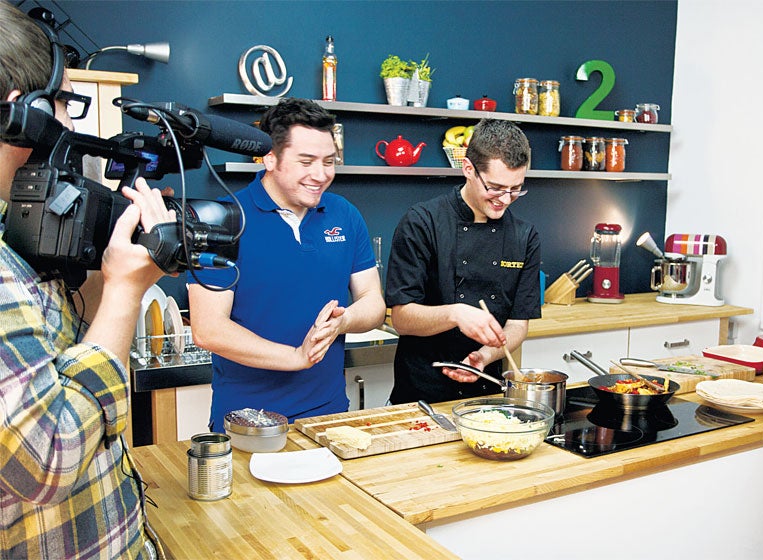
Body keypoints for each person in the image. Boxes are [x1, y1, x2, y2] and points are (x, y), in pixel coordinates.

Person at [0, 4, 175, 558]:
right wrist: (125, 289)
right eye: (64, 104)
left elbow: (71, 352)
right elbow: (48, 459)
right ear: (20, 113)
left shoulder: (13, 234)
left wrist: (113, 266)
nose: (71, 126)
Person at [188, 98, 385, 430]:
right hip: (247, 420)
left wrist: (344, 320)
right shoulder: (223, 219)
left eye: (329, 161)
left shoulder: (344, 215)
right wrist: (296, 357)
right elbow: (208, 329)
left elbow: (374, 302)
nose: (320, 175)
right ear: (269, 157)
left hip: (330, 414)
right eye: (306, 161)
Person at [386, 119, 541, 404]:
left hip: (486, 397)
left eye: (516, 189)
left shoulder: (525, 236)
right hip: (420, 397)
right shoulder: (422, 222)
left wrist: (484, 355)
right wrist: (456, 313)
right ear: (468, 169)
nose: (505, 199)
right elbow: (402, 319)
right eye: (495, 188)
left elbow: (518, 324)